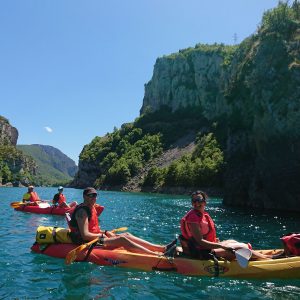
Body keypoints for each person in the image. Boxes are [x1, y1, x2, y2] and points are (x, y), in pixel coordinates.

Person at [68, 187, 176, 256]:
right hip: (86, 241)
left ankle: (162, 248)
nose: (93, 198)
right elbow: (85, 235)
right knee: (123, 239)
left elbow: (93, 228)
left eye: (95, 195)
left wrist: (105, 232)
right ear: (84, 196)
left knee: (127, 234)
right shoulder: (82, 212)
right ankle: (156, 255)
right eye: (90, 195)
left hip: (96, 237)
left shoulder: (92, 207)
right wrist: (102, 236)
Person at [180, 190, 272, 260]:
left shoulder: (203, 215)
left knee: (232, 241)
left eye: (199, 200)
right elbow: (200, 241)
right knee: (240, 248)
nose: (196, 203)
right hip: (203, 252)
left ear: (204, 202)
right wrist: (221, 246)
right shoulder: (193, 217)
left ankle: (259, 255)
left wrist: (217, 242)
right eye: (194, 201)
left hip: (207, 248)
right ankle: (269, 259)